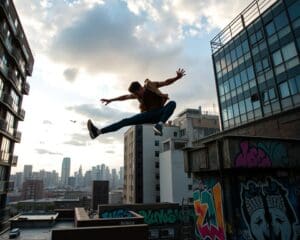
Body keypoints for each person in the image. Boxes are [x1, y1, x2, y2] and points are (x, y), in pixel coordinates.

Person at [87, 68, 186, 139]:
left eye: (136, 93)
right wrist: (111, 100)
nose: (136, 96)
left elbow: (166, 82)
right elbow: (125, 97)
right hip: (147, 115)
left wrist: (177, 77)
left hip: (159, 113)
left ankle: (159, 126)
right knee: (124, 121)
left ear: (140, 88)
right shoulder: (138, 95)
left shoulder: (151, 86)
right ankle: (97, 132)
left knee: (172, 103)